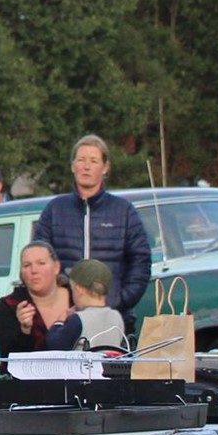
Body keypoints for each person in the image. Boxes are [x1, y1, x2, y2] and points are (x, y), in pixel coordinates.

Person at [31, 134, 152, 316]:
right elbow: (39, 260)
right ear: (73, 166)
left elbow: (140, 263)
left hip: (114, 318)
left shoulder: (124, 211)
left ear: (105, 168)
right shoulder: (54, 210)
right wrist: (60, 301)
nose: (86, 167)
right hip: (65, 318)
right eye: (81, 160)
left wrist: (118, 302)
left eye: (94, 161)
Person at [0, 241, 80, 356]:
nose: (34, 270)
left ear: (56, 267)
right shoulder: (9, 305)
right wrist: (24, 330)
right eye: (27, 265)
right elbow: (8, 357)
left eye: (41, 263)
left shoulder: (77, 298)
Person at [66, 258, 127, 351]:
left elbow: (55, 342)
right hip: (109, 365)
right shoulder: (116, 316)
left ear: (78, 289)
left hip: (84, 365)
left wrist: (59, 323)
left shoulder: (78, 319)